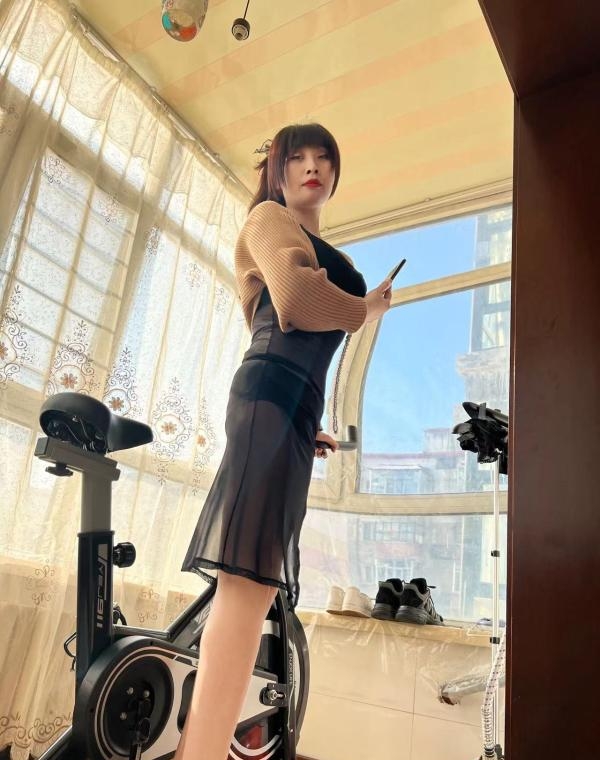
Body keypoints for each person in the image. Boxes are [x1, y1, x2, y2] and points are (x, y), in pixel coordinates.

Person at [175, 123, 392, 760]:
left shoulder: (310, 242)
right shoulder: (270, 219)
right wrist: (365, 308)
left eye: (324, 157)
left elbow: (306, 340)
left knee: (256, 585)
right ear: (277, 171)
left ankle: (199, 749)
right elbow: (295, 301)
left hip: (291, 408)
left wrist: (307, 420)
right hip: (268, 396)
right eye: (296, 157)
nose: (311, 166)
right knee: (247, 584)